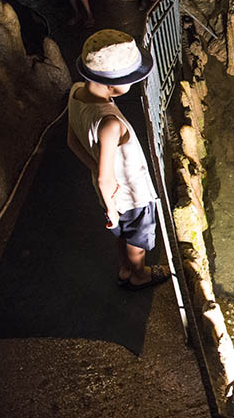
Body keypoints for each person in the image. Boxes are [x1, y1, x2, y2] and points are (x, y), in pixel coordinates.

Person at [67, 29, 169, 290]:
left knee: (121, 233)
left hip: (110, 195)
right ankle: (139, 273)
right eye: (130, 80)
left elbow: (72, 142)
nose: (132, 85)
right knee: (137, 238)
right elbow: (106, 177)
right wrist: (114, 207)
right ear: (112, 85)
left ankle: (124, 269)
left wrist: (108, 200)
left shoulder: (76, 92)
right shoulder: (110, 122)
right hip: (131, 194)